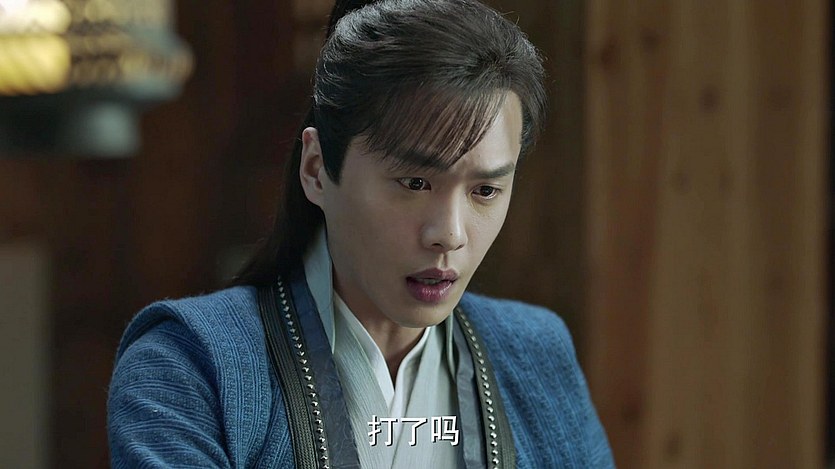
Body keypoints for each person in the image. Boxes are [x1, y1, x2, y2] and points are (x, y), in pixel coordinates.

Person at [107, 0, 615, 467]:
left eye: (485, 190)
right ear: (316, 168)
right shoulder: (188, 364)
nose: (449, 234)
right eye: (414, 183)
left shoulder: (534, 354)